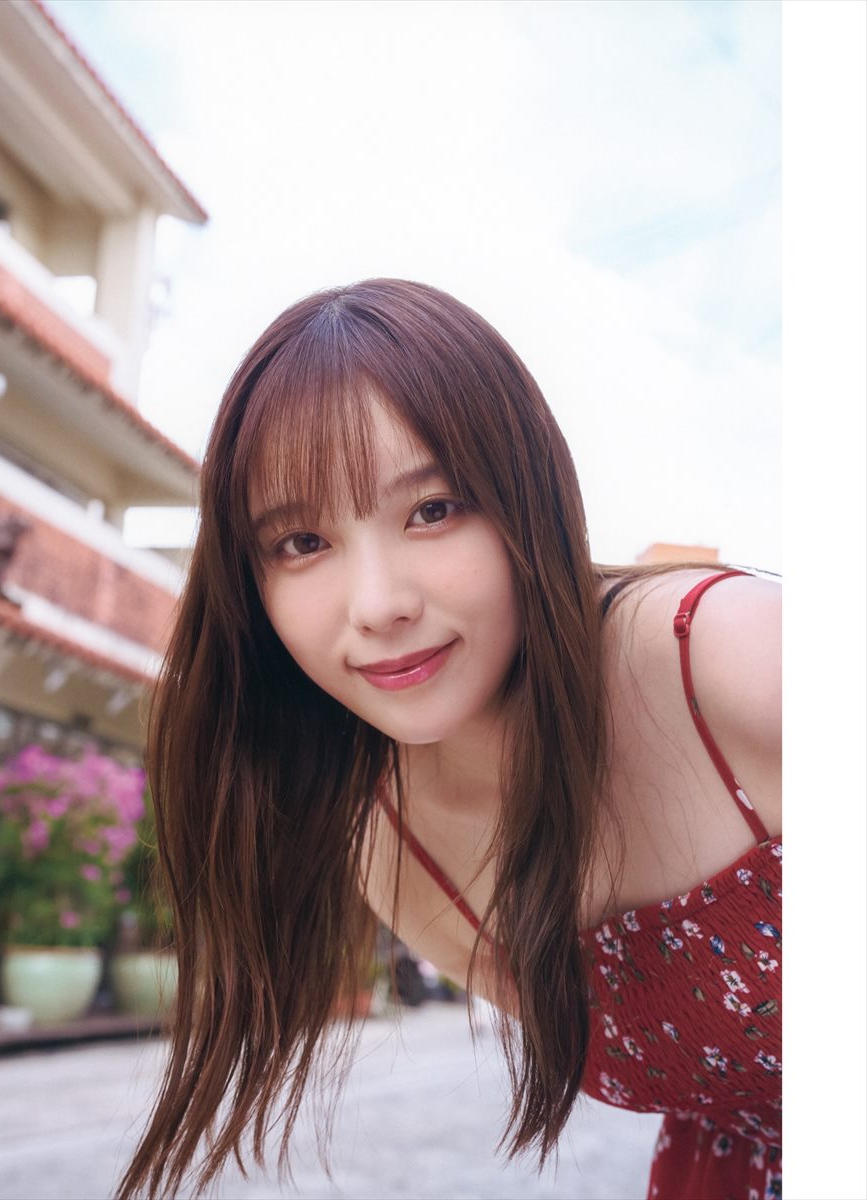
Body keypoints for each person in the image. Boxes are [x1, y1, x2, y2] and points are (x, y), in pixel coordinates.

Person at [117, 279, 781, 1200]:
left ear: (529, 499)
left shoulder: (731, 659)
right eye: (302, 542)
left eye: (431, 510)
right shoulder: (392, 850)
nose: (379, 603)